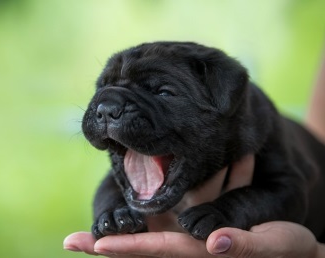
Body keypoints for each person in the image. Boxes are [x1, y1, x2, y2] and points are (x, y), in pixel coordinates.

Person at [64, 51, 325, 257]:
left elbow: (289, 189)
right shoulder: (145, 154)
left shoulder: (263, 132)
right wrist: (111, 212)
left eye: (163, 92)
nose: (108, 108)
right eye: (104, 89)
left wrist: (228, 211)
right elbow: (112, 184)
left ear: (225, 98)